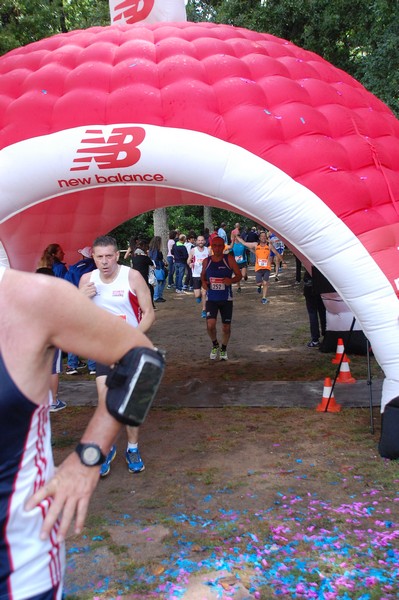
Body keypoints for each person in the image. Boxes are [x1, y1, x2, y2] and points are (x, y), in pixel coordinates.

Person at [0, 266, 154, 599]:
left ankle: (128, 448)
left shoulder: (31, 297)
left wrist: (88, 458)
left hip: (17, 564)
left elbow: (145, 363)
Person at [79, 235, 155, 477]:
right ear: (93, 257)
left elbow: (150, 313)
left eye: (109, 256)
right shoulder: (86, 280)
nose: (104, 262)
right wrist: (80, 299)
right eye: (99, 257)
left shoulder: (131, 276)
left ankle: (132, 449)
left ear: (118, 255)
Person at [201, 236, 242, 360]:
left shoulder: (229, 259)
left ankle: (224, 348)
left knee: (226, 327)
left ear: (224, 247)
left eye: (220, 246)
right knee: (210, 325)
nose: (217, 248)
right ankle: (215, 344)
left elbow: (239, 275)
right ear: (212, 247)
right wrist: (203, 283)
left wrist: (231, 280)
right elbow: (202, 277)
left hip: (226, 299)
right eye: (215, 246)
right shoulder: (206, 261)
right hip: (211, 298)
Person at [64, 246, 97, 375]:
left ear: (83, 256)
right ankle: (93, 366)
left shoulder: (73, 268)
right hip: (93, 305)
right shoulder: (97, 269)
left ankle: (72, 366)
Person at [236, 231, 279, 304]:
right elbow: (245, 243)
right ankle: (259, 286)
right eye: (262, 236)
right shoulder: (256, 245)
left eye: (264, 236)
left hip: (266, 268)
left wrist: (282, 261)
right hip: (258, 268)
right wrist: (237, 237)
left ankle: (264, 298)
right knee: (259, 283)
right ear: (259, 238)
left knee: (265, 283)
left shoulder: (269, 245)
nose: (263, 238)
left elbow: (276, 252)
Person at [187, 234, 209, 318]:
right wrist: (190, 263)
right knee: (197, 295)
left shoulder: (208, 250)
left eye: (202, 240)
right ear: (196, 241)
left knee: (204, 293)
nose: (200, 242)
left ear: (204, 241)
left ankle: (204, 310)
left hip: (205, 275)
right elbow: (188, 260)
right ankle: (198, 296)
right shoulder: (193, 250)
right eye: (199, 240)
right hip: (196, 274)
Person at [303, 269, 326, 348]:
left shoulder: (308, 262)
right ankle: (325, 336)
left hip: (310, 289)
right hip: (321, 288)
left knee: (313, 314)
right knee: (323, 313)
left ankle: (315, 339)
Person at [131, 239, 156, 308]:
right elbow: (152, 264)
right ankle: (150, 304)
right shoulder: (144, 257)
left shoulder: (133, 257)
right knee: (149, 290)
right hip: (144, 276)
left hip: (135, 276)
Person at [148, 235, 167, 303]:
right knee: (160, 282)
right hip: (158, 267)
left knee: (160, 282)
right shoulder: (156, 250)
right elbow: (155, 259)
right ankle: (157, 296)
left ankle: (158, 296)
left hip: (155, 267)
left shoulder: (151, 249)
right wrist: (161, 264)